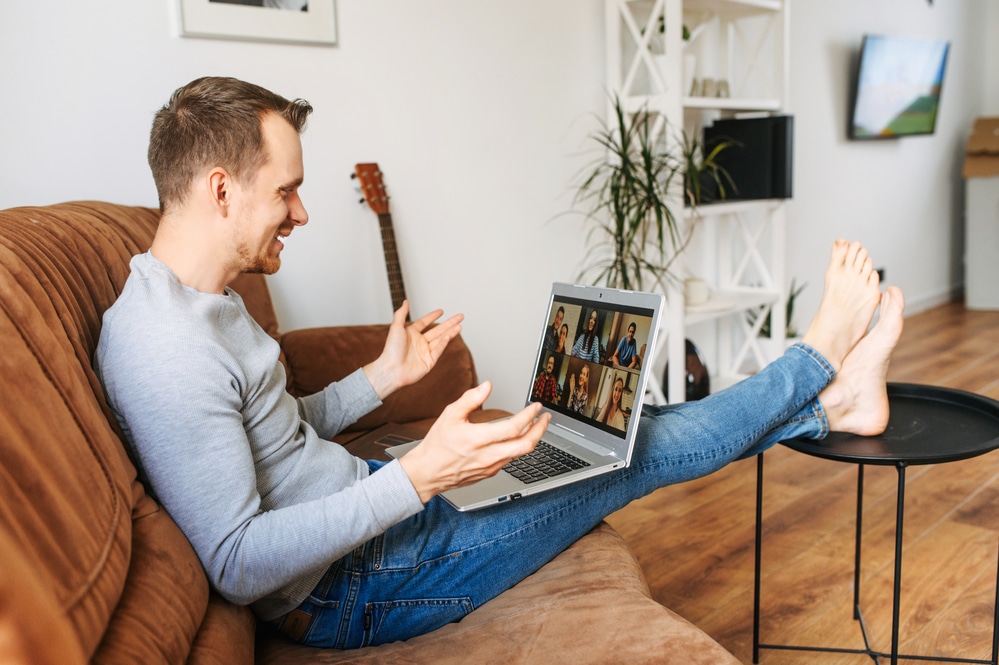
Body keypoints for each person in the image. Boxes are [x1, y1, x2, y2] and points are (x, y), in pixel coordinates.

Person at [95, 76, 904, 650]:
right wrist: (415, 479)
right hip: (359, 587)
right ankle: (816, 359)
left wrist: (382, 378)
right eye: (287, 191)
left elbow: (273, 432)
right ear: (220, 188)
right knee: (631, 455)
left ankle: (837, 406)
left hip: (375, 519)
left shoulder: (205, 299)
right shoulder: (167, 350)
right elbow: (236, 565)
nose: (301, 212)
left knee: (605, 427)